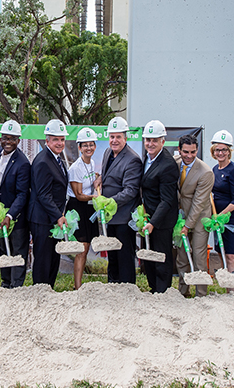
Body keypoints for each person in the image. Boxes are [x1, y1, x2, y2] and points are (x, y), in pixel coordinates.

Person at [100, 116, 143, 284]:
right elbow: (109, 178)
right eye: (112, 136)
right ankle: (113, 285)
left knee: (125, 256)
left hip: (123, 218)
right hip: (111, 218)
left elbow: (131, 191)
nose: (114, 140)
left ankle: (127, 288)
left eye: (118, 137)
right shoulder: (107, 153)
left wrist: (110, 202)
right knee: (113, 255)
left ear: (126, 138)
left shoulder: (132, 159)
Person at [28, 119, 70, 287]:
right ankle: (40, 291)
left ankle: (48, 290)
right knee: (43, 259)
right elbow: (43, 195)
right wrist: (58, 216)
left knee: (53, 257)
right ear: (47, 141)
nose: (59, 143)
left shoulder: (57, 159)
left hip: (51, 218)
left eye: (62, 139)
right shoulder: (43, 161)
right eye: (55, 139)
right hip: (42, 219)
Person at [139, 120, 179, 293]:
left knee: (161, 257)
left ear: (163, 141)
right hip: (149, 217)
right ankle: (153, 288)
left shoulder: (167, 165)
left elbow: (167, 200)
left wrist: (153, 223)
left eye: (155, 140)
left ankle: (162, 292)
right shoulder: (147, 158)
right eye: (148, 139)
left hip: (161, 221)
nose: (150, 143)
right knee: (149, 256)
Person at [0, 120, 31, 288]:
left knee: (17, 252)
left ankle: (16, 287)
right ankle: (5, 283)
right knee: (3, 248)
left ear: (18, 141)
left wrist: (9, 215)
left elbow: (23, 195)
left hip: (17, 217)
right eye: (4, 138)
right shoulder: (0, 152)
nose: (7, 142)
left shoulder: (22, 163)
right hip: (2, 213)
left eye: (12, 139)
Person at [174, 134, 214, 297]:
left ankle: (201, 294)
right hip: (181, 216)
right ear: (179, 150)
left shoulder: (205, 172)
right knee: (182, 256)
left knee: (198, 256)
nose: (189, 156)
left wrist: (187, 226)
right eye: (186, 152)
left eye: (193, 152)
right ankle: (183, 291)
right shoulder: (175, 163)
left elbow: (198, 204)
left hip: (199, 218)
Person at [209, 130, 234, 290]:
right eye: (218, 149)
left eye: (224, 150)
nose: (221, 153)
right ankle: (227, 288)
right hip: (219, 221)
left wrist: (221, 215)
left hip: (232, 220)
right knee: (221, 254)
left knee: (231, 256)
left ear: (229, 151)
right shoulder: (215, 169)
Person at [66, 127, 102, 289]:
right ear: (79, 147)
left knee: (86, 247)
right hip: (77, 207)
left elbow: (92, 176)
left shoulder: (92, 163)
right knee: (82, 249)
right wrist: (95, 198)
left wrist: (98, 179)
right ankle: (77, 287)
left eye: (91, 145)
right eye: (85, 145)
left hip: (88, 208)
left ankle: (79, 284)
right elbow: (79, 195)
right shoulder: (75, 168)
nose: (89, 148)